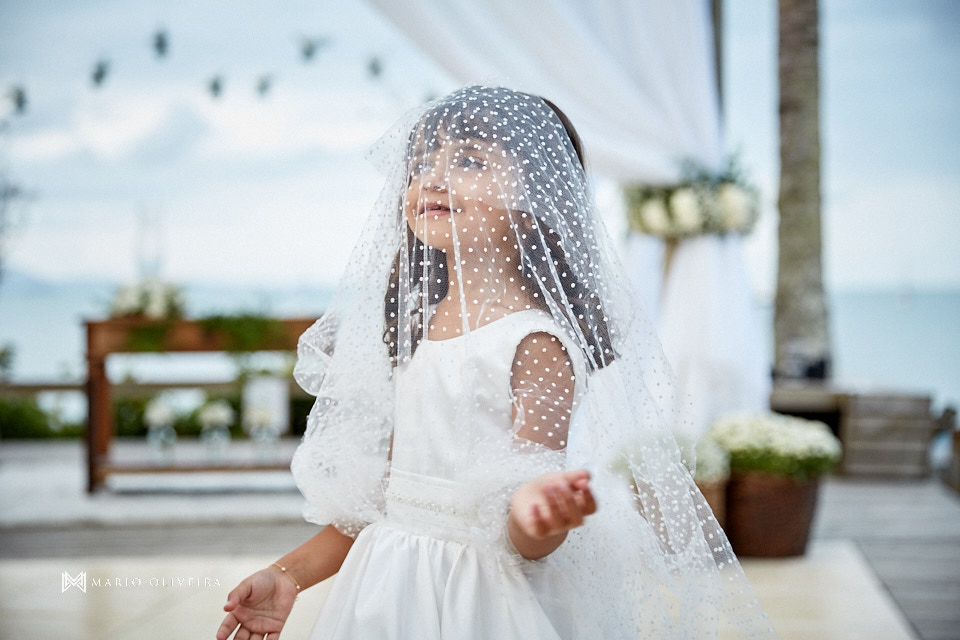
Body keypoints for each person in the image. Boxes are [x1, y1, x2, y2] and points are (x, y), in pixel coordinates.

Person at [217, 86, 777, 639]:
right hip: (386, 586)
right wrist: (286, 575)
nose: (432, 176)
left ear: (537, 203)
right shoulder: (418, 327)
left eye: (468, 160)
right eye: (422, 161)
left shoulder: (533, 343)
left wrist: (538, 515)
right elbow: (387, 501)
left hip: (474, 598)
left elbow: (526, 531)